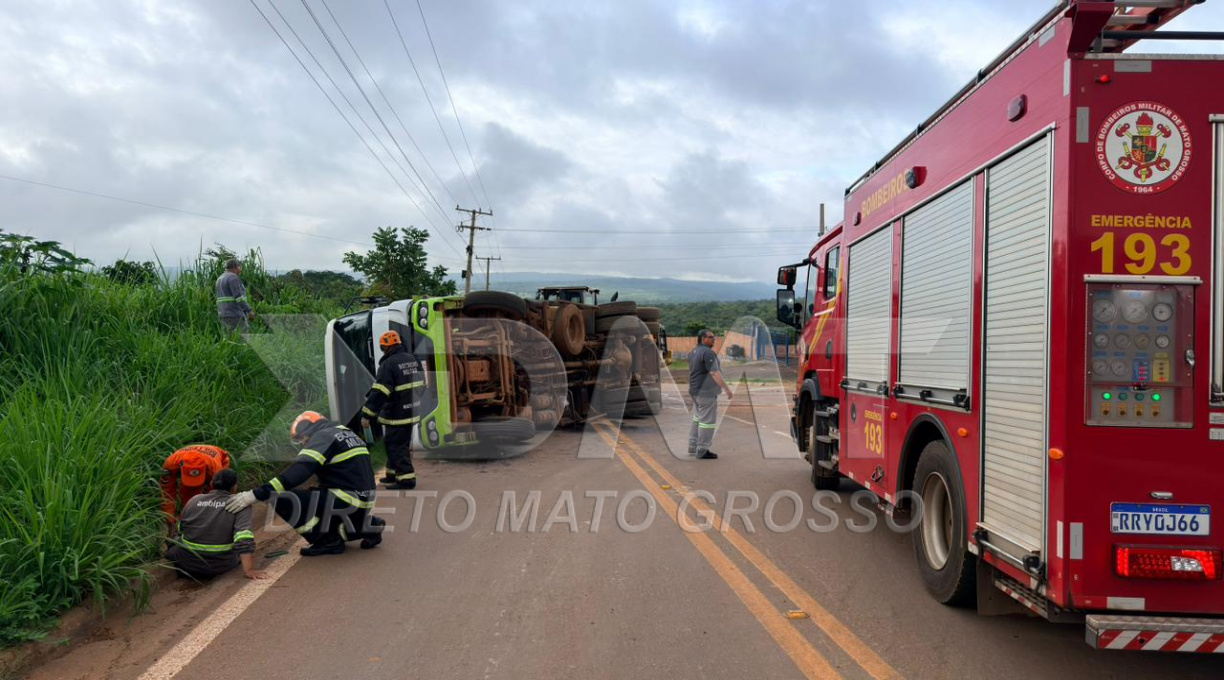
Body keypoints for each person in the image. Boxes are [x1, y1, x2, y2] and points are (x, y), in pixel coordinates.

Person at [226, 411, 384, 556]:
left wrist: (255, 494)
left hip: (345, 499)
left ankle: (328, 541)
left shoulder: (322, 437)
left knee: (282, 498)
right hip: (362, 500)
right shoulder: (346, 433)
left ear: (309, 430)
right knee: (315, 496)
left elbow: (299, 472)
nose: (303, 443)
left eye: (301, 438)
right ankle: (368, 527)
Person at [167, 469, 264, 580]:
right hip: (220, 565)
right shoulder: (240, 505)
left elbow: (181, 529)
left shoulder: (194, 500)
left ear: (211, 483)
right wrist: (249, 570)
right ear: (234, 487)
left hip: (186, 564)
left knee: (173, 542)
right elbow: (243, 539)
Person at [361, 331, 425, 490]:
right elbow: (421, 385)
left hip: (396, 414)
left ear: (385, 347)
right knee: (393, 443)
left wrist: (367, 414)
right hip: (410, 411)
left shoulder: (388, 364)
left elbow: (380, 392)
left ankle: (406, 479)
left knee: (397, 446)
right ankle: (392, 474)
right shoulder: (413, 359)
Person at [688, 330, 732, 460]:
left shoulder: (693, 352)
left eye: (714, 337)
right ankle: (702, 450)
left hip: (695, 391)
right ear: (702, 339)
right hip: (706, 392)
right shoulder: (707, 353)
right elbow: (714, 373)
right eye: (711, 337)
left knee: (697, 418)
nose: (714, 339)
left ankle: (693, 446)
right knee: (707, 422)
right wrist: (727, 389)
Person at [161, 445, 231, 527]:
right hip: (197, 462)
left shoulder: (215, 469)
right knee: (187, 496)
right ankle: (187, 516)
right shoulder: (171, 463)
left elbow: (217, 495)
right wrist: (170, 518)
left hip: (216, 462)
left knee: (215, 499)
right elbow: (167, 491)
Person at [215, 259, 255, 333]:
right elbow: (239, 298)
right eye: (240, 267)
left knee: (228, 340)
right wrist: (249, 310)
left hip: (223, 315)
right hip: (235, 315)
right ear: (235, 267)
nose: (240, 270)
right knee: (242, 340)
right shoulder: (233, 277)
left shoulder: (220, 278)